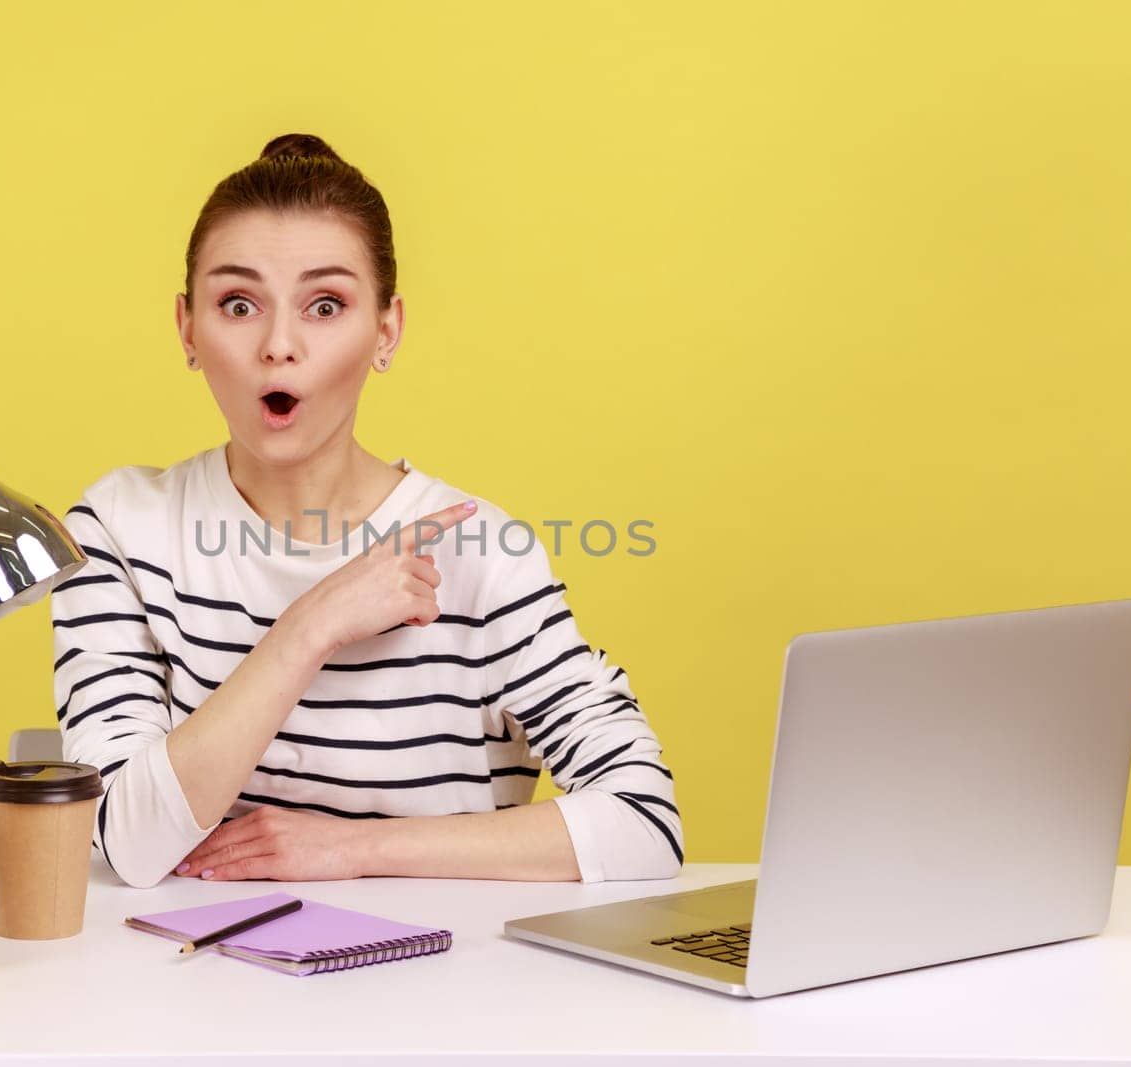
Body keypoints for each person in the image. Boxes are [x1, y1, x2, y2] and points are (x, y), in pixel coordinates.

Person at [50, 133, 681, 889]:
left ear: (386, 330)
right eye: (238, 303)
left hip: (444, 992)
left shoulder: (479, 552)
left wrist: (355, 850)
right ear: (189, 328)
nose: (278, 345)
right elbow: (127, 839)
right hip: (186, 986)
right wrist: (308, 629)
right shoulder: (119, 529)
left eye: (325, 304)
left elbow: (645, 819)